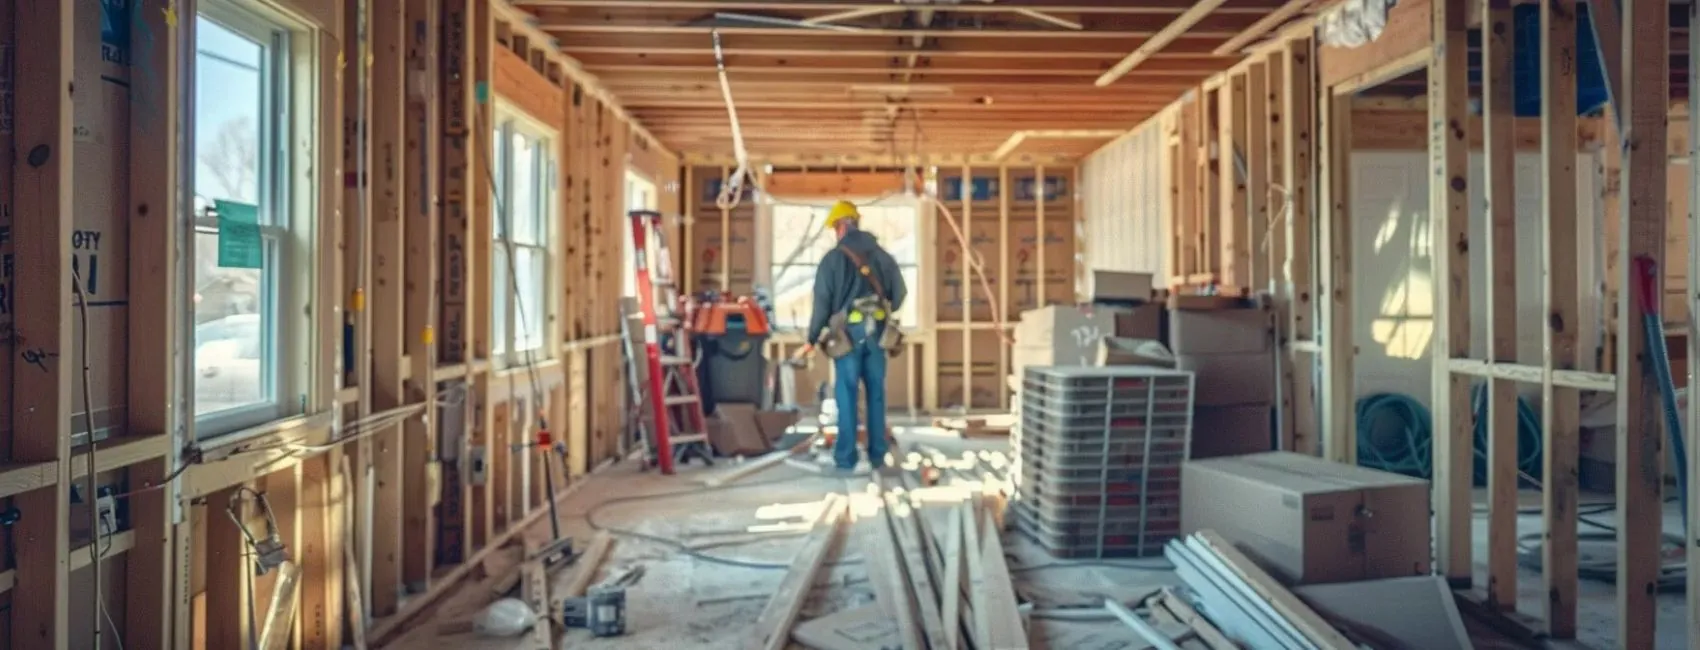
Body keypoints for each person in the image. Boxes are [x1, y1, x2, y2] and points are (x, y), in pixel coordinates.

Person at [798, 199, 907, 474]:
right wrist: (884, 309)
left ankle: (846, 459)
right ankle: (877, 457)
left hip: (846, 338)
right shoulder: (882, 256)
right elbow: (900, 293)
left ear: (841, 226)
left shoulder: (832, 260)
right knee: (876, 394)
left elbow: (822, 302)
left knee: (846, 395)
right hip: (878, 335)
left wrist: (812, 338)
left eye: (835, 227)